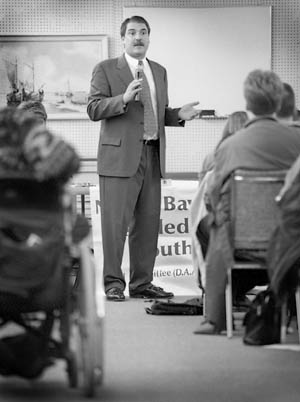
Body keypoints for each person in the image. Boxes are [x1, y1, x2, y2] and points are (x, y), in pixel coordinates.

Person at [87, 15, 200, 301]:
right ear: (123, 38)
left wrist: (176, 116)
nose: (138, 37)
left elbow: (156, 113)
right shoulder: (106, 69)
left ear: (149, 38)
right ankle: (113, 284)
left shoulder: (159, 71)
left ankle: (142, 283)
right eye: (133, 33)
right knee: (115, 226)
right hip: (119, 157)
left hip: (152, 154)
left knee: (148, 225)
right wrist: (123, 99)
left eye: (144, 32)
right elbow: (93, 108)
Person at [194, 69, 300, 334]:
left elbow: (212, 198)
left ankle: (217, 313)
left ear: (248, 103)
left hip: (239, 244)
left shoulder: (230, 146)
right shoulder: (296, 142)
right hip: (292, 240)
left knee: (210, 226)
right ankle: (291, 308)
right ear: (278, 103)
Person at [191, 111, 248, 290]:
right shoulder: (258, 159)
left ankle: (212, 290)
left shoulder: (213, 158)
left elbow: (205, 198)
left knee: (206, 231)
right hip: (258, 233)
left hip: (225, 230)